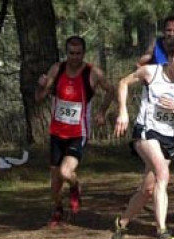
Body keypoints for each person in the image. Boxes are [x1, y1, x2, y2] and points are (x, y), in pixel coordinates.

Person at [109, 36, 174, 239]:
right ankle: (162, 231)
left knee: (148, 189)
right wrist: (123, 111)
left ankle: (121, 224)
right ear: (170, 57)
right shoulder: (151, 72)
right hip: (145, 132)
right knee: (162, 174)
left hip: (169, 138)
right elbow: (123, 82)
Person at [35, 36, 115, 228]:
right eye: (71, 53)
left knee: (65, 172)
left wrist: (102, 112)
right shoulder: (57, 69)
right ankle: (57, 209)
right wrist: (41, 85)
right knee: (55, 180)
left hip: (78, 133)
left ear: (83, 54)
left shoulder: (92, 73)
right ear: (66, 53)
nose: (74, 57)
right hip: (57, 132)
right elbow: (39, 98)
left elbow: (111, 90)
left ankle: (74, 186)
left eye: (78, 53)